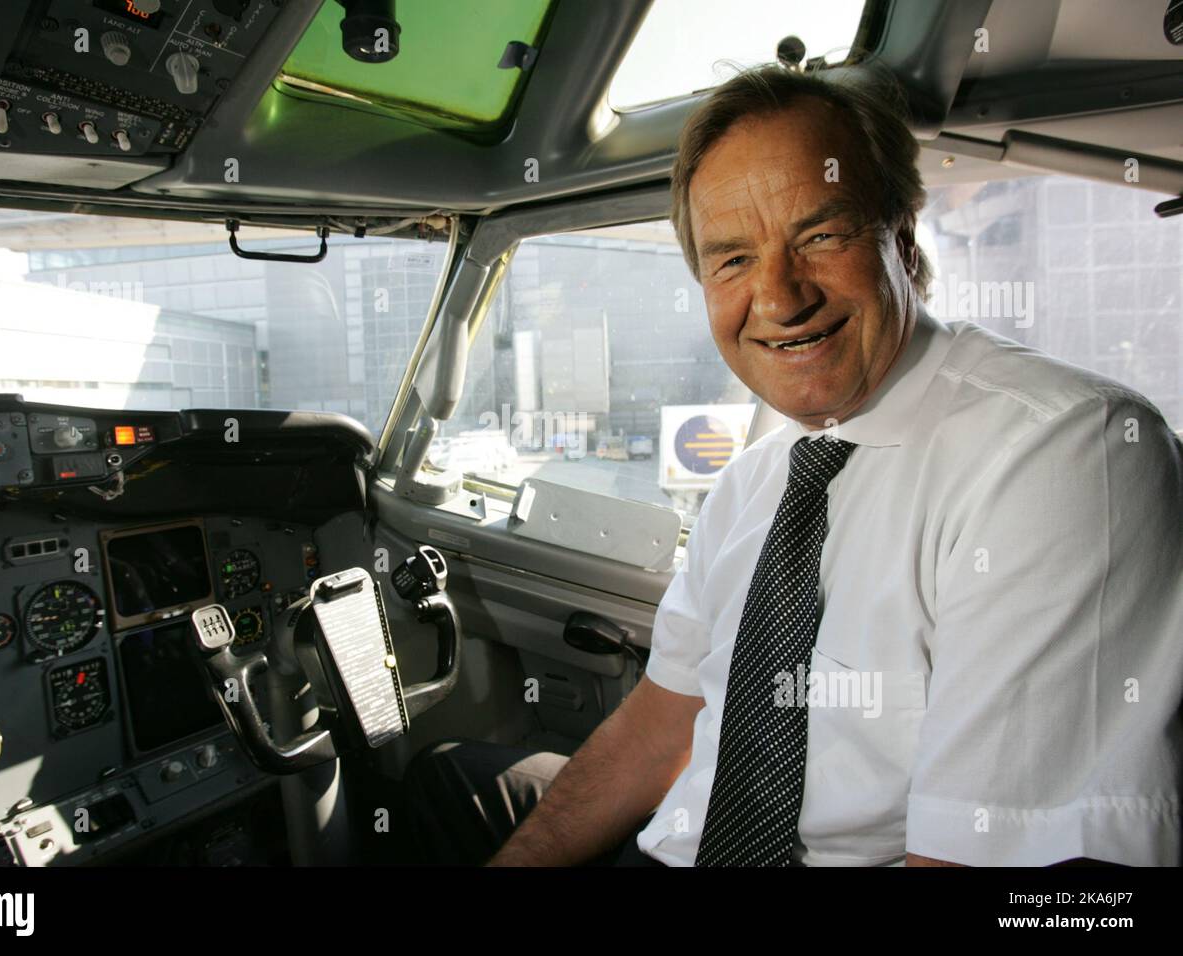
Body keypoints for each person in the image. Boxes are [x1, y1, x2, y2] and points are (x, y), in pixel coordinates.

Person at [405, 63, 1183, 867]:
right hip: (685, 842)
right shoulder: (757, 480)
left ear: (901, 239)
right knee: (449, 783)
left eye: (820, 235)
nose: (778, 298)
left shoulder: (1063, 454)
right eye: (732, 260)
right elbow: (663, 717)